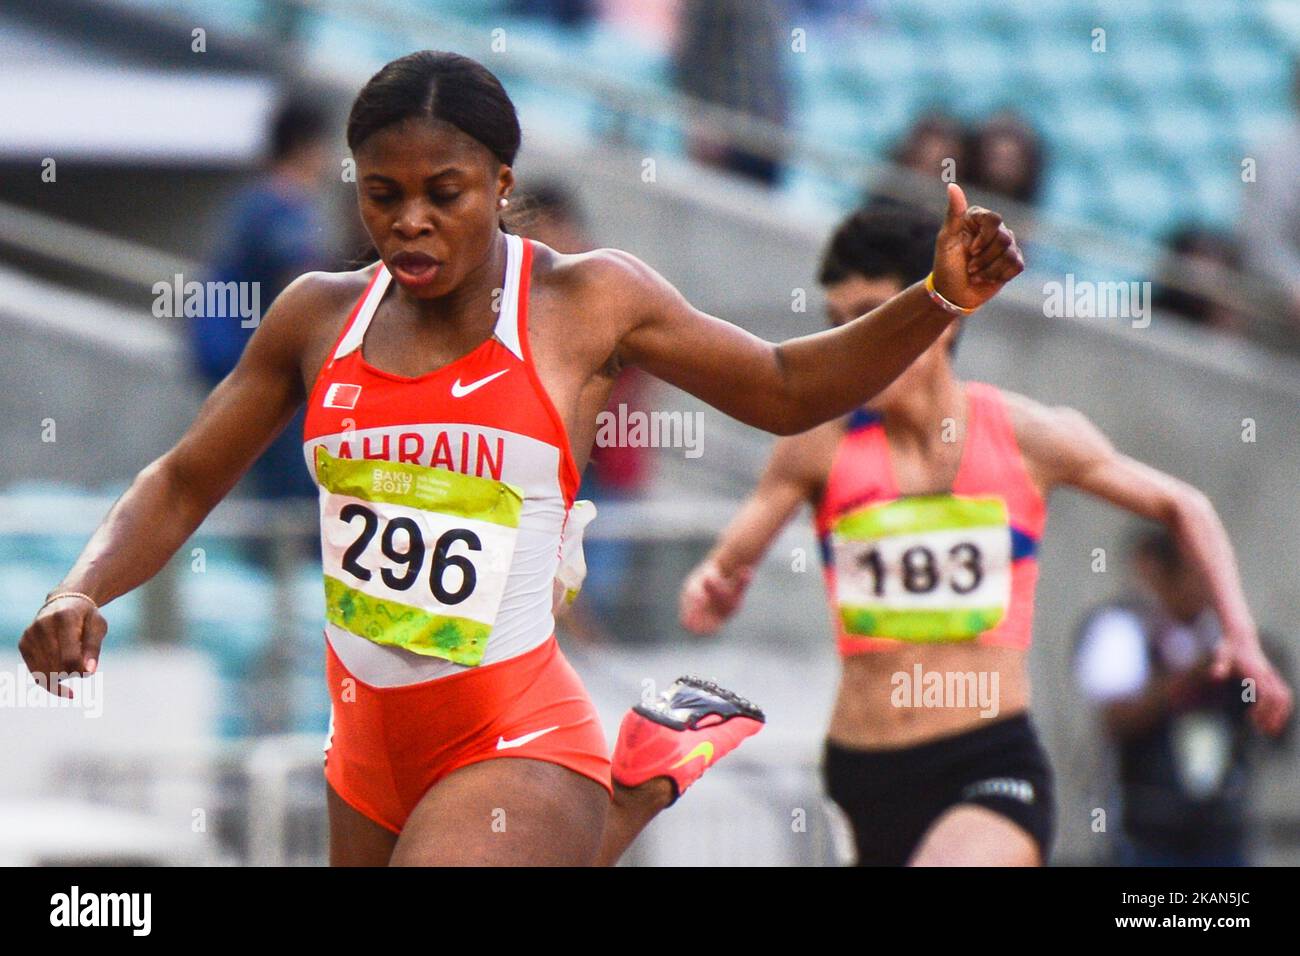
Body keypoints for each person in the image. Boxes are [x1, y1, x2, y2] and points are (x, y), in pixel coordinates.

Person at [20, 51, 1025, 866]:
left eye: (443, 193)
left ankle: (597, 786)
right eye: (382, 194)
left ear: (501, 185)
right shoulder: (315, 317)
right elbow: (185, 478)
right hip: (363, 751)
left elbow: (783, 385)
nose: (409, 219)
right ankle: (634, 785)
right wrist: (83, 584)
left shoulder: (584, 301)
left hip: (512, 729)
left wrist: (933, 299)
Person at [678, 203, 1293, 866]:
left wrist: (1241, 638)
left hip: (988, 759)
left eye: (870, 318)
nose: (850, 346)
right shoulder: (816, 446)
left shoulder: (1027, 436)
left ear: (936, 318)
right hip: (865, 771)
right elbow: (718, 571)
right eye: (836, 323)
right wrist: (711, 590)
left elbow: (1184, 504)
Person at [1074, 528, 1291, 866]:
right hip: (1146, 828)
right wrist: (1195, 673)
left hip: (1222, 824)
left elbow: (1275, 730)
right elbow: (1119, 719)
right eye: (1197, 572)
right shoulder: (1123, 631)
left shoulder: (1234, 635)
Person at [190, 93, 337, 505]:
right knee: (290, 489)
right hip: (249, 358)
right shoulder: (285, 208)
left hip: (230, 352)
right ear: (308, 146)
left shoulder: (252, 200)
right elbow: (303, 290)